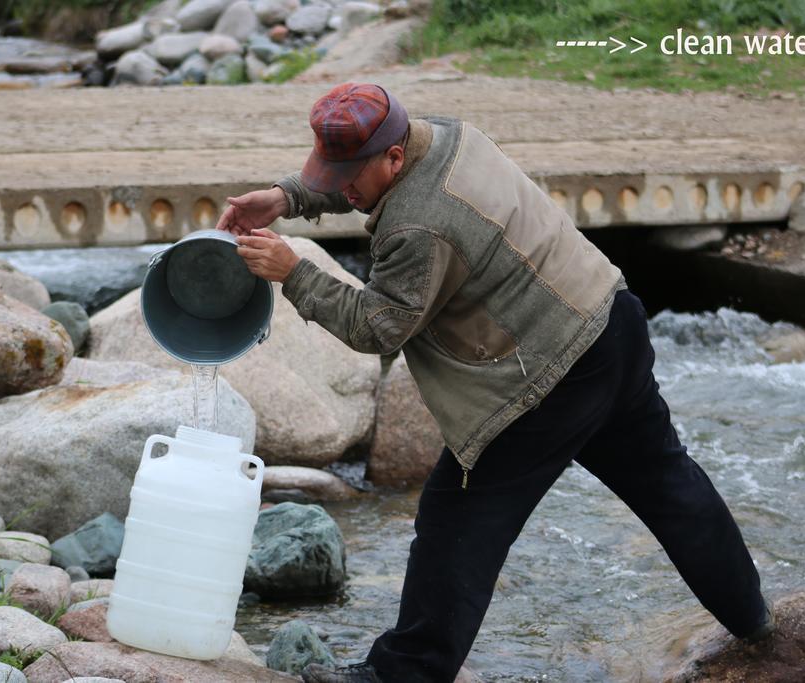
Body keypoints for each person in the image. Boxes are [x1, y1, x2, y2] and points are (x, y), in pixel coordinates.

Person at [218, 82, 774, 683]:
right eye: (331, 172)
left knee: (455, 521)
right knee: (669, 486)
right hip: (607, 319)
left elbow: (377, 328)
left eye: (349, 174)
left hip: (545, 379)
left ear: (394, 157)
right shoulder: (445, 133)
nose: (342, 187)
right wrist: (287, 197)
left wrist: (295, 272)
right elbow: (358, 186)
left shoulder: (418, 229)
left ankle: (400, 677)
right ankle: (754, 619)